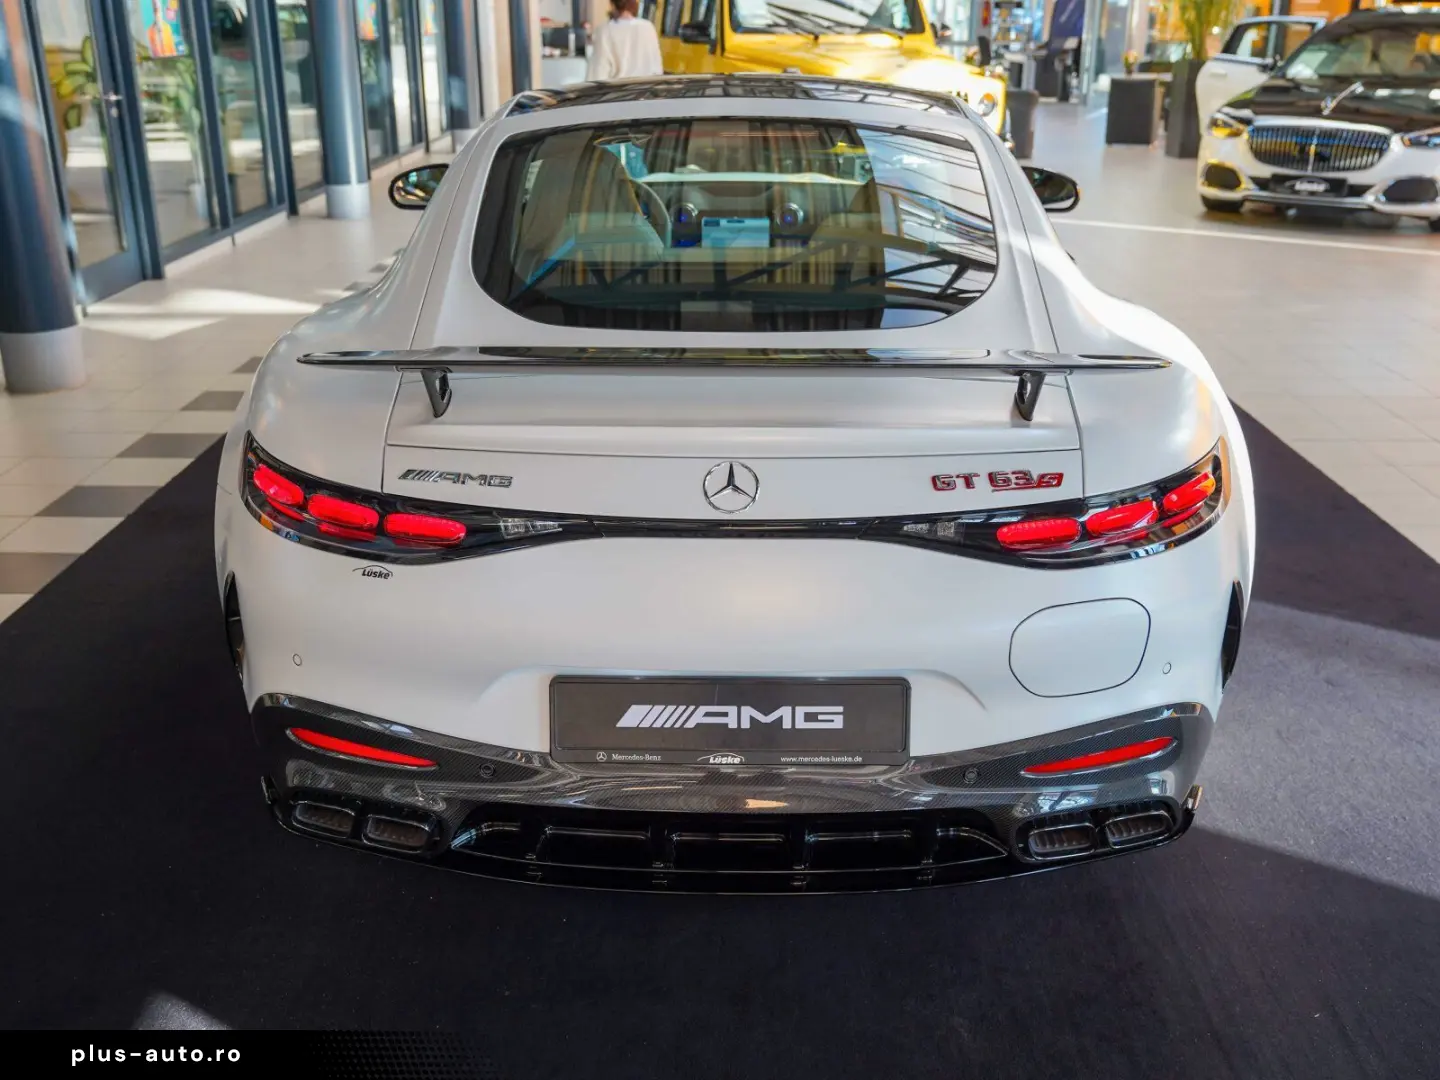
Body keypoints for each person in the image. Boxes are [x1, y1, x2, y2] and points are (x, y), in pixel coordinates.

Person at [585, 0, 664, 82]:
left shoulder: (604, 30)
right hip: (646, 91)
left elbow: (598, 73)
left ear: (612, 3)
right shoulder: (648, 27)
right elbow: (657, 69)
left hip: (617, 92)